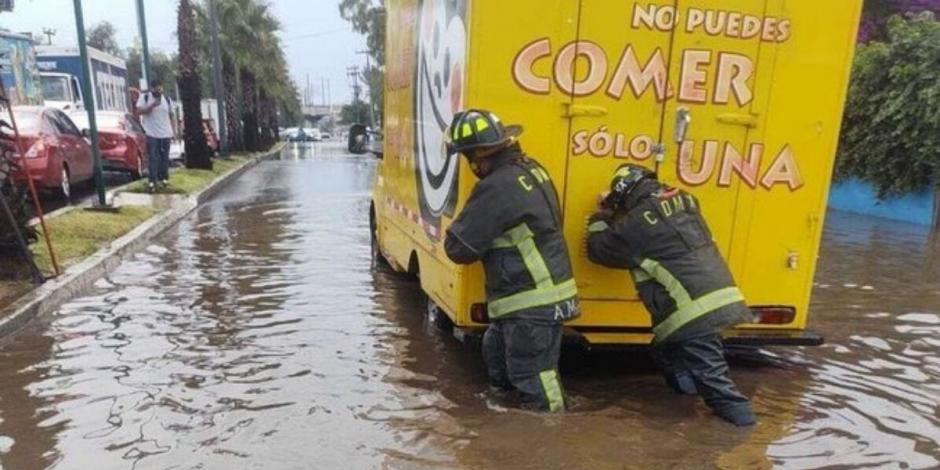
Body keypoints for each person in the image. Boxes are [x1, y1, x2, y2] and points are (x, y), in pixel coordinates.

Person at [585, 164, 756, 426]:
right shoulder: (686, 200)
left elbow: (599, 250)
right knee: (664, 350)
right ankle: (685, 404)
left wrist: (601, 216)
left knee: (716, 385)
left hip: (693, 310)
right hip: (723, 295)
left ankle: (746, 438)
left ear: (623, 195)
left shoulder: (637, 223)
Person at [443, 109, 579, 412]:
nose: (470, 165)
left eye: (468, 156)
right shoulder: (532, 169)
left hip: (530, 301)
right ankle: (509, 436)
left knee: (538, 384)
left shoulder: (497, 187)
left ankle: (549, 442)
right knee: (497, 359)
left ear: (480, 153)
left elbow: (458, 247)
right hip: (534, 297)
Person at [135, 79, 177, 192]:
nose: (158, 91)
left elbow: (172, 115)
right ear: (151, 88)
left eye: (160, 89)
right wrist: (152, 106)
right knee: (153, 158)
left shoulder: (167, 100)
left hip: (166, 134)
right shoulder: (145, 98)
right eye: (155, 89)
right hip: (151, 134)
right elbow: (139, 111)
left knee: (164, 158)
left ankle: (164, 179)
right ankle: (152, 181)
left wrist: (174, 131)